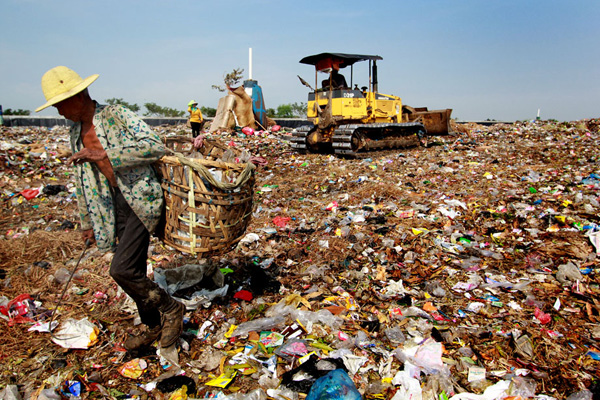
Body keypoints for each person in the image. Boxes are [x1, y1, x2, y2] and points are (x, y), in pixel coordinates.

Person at [35, 66, 185, 351]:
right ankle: (153, 325)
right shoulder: (75, 133)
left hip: (141, 197)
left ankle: (171, 308)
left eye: (59, 104)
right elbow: (82, 180)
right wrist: (86, 223)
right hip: (114, 204)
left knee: (121, 270)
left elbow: (154, 146)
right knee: (135, 269)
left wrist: (106, 153)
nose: (58, 112)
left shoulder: (115, 115)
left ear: (78, 96)